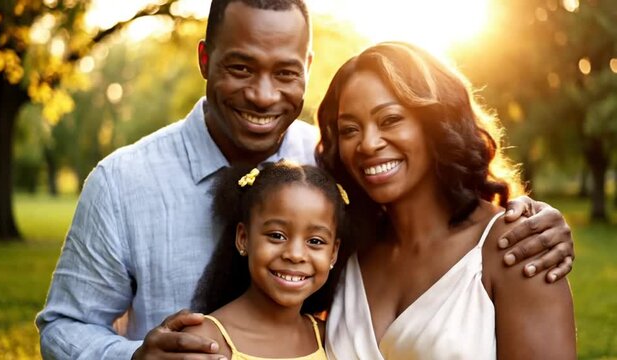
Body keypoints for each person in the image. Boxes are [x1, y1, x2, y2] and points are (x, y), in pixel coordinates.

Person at [36, 1, 575, 358]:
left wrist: (537, 217)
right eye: (241, 68)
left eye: (285, 73)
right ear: (206, 59)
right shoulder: (123, 182)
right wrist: (137, 356)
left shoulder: (324, 171)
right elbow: (62, 325)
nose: (265, 96)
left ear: (307, 68)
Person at [316, 41, 576, 359]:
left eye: (390, 120)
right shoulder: (342, 255)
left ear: (435, 123)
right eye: (350, 129)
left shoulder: (517, 247)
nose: (368, 144)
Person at [187, 161, 344, 359]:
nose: (295, 254)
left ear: (333, 253)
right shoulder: (205, 342)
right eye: (277, 235)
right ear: (243, 238)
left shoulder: (327, 338)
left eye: (315, 241)